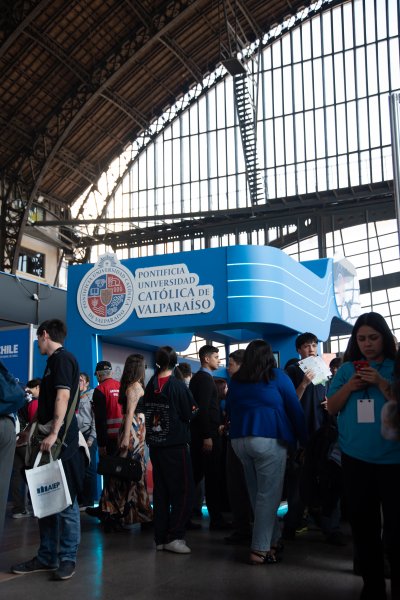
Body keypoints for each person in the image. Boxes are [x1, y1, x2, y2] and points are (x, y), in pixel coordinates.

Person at [327, 312, 400, 600]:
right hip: (356, 459)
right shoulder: (347, 370)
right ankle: (372, 588)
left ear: (385, 337)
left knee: (396, 532)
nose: (367, 344)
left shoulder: (395, 367)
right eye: (361, 339)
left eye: (373, 337)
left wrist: (381, 382)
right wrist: (349, 386)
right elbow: (332, 407)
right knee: (364, 528)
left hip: (394, 460)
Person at [11, 319, 85, 581]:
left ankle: (67, 558)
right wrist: (29, 430)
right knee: (47, 501)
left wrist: (54, 433)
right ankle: (46, 557)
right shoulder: (54, 362)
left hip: (61, 444)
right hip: (49, 442)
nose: (37, 344)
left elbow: (63, 397)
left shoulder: (62, 360)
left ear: (44, 335)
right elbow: (47, 403)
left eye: (38, 339)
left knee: (66, 502)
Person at [227, 339, 307, 565]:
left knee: (257, 494)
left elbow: (229, 408)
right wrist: (304, 441)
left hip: (239, 441)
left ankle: (273, 540)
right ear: (269, 356)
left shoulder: (237, 380)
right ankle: (260, 550)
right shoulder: (277, 376)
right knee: (268, 496)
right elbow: (294, 409)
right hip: (268, 437)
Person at [141, 346, 195, 554]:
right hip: (175, 446)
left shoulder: (150, 385)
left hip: (156, 446)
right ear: (175, 363)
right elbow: (190, 413)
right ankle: (175, 536)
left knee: (161, 493)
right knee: (184, 492)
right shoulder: (178, 386)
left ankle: (161, 537)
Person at [100, 354, 152, 531]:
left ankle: (127, 513)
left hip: (134, 430)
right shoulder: (135, 387)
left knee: (129, 472)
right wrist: (125, 438)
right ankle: (119, 513)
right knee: (130, 471)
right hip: (134, 432)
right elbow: (129, 413)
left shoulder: (130, 386)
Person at [283, 332, 328, 540]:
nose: (311, 349)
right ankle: (291, 524)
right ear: (298, 350)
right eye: (306, 346)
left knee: (322, 480)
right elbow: (288, 402)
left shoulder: (322, 369)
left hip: (321, 432)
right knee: (297, 482)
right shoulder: (292, 370)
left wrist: (329, 402)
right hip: (300, 435)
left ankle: (323, 523)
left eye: (314, 345)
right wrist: (303, 383)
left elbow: (326, 396)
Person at [189, 344, 229, 530]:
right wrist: (207, 435)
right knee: (211, 478)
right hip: (207, 437)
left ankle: (185, 516)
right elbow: (203, 409)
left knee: (198, 476)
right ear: (206, 359)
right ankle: (216, 520)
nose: (219, 360)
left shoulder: (200, 378)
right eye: (216, 357)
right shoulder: (204, 379)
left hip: (205, 434)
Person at [224, 349, 254, 545]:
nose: (228, 368)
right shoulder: (261, 381)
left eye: (231, 364)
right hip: (258, 439)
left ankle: (243, 528)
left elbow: (229, 409)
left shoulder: (236, 384)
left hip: (237, 439)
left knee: (237, 485)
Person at [10, 378, 41, 518]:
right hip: (26, 443)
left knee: (17, 475)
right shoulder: (33, 402)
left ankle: (18, 509)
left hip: (14, 441)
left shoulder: (15, 403)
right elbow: (34, 424)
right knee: (34, 474)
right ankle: (37, 507)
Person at [76, 373, 97, 509]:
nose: (78, 382)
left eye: (81, 380)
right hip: (77, 436)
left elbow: (95, 418)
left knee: (89, 469)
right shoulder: (74, 397)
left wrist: (91, 437)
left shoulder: (92, 396)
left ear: (87, 383)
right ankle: (80, 500)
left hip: (88, 435)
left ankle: (88, 501)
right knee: (79, 469)